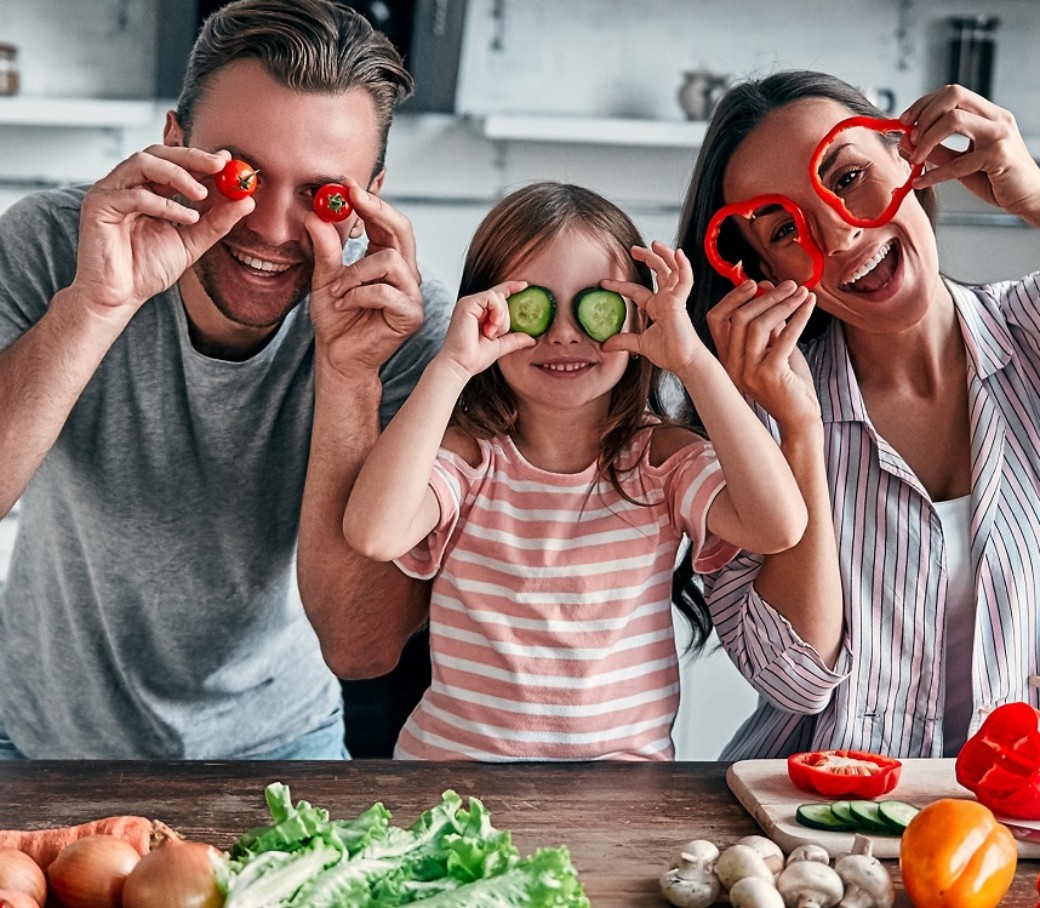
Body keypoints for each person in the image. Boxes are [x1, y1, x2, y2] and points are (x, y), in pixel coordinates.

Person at [0, 0, 450, 759]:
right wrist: (97, 305)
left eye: (323, 194)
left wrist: (349, 376)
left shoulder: (400, 324)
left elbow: (361, 647)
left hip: (280, 746)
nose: (272, 228)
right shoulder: (54, 245)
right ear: (174, 143)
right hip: (37, 735)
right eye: (240, 174)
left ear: (371, 193)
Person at [343, 181, 810, 760]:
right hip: (453, 786)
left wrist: (691, 359)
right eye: (532, 307)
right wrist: (452, 364)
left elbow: (778, 525)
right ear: (485, 312)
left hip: (618, 797)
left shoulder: (658, 460)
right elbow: (373, 532)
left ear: (639, 315)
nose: (564, 332)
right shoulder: (470, 458)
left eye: (593, 305)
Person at [678, 70, 1040, 759]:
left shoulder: (1031, 332)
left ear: (911, 157)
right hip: (810, 825)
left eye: (846, 179)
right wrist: (800, 432)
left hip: (1012, 821)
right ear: (763, 273)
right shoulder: (749, 422)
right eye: (785, 228)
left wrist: (1036, 195)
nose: (839, 235)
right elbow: (795, 681)